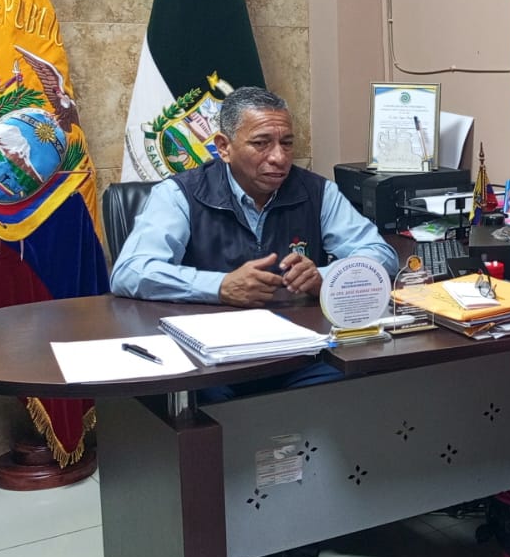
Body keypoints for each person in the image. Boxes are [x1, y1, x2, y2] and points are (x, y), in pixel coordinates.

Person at [110, 85, 398, 401]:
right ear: (224, 147)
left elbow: (381, 255)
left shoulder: (316, 192)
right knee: (205, 400)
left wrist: (325, 278)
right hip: (211, 360)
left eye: (287, 143)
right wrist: (220, 287)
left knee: (361, 377)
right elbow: (130, 271)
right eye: (261, 144)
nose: (279, 158)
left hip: (297, 355)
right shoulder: (180, 194)